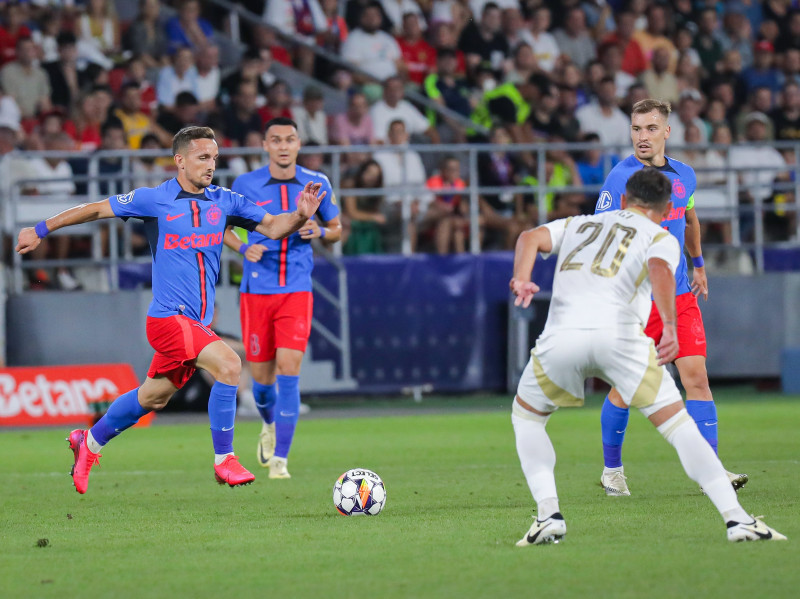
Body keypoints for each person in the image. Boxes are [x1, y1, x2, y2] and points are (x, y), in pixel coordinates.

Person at [15, 126, 326, 494]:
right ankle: (224, 458)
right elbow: (96, 209)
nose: (210, 166)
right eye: (202, 158)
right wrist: (41, 228)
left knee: (153, 397)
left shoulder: (224, 201)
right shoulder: (153, 199)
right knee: (229, 364)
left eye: (214, 158)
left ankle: (89, 441)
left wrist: (301, 215)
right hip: (167, 318)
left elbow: (274, 227)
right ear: (179, 160)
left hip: (194, 323)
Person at [509, 167, 786, 545]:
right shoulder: (660, 236)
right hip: (621, 342)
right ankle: (737, 520)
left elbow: (528, 237)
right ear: (668, 207)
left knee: (527, 418)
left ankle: (548, 514)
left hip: (562, 339)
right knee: (679, 427)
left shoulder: (581, 223)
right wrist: (669, 326)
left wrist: (522, 277)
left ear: (623, 200)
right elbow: (659, 270)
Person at [594, 98, 747, 497]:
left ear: (666, 131)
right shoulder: (619, 180)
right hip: (635, 299)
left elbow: (690, 218)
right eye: (636, 128)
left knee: (695, 377)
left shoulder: (685, 176)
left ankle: (710, 471)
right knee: (625, 389)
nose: (641, 137)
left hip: (679, 294)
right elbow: (600, 233)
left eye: (649, 128)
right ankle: (612, 470)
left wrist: (698, 263)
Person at [224, 117, 341, 479]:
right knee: (261, 381)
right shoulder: (246, 184)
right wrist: (244, 248)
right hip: (257, 292)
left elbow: (338, 231)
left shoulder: (317, 182)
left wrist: (321, 229)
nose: (283, 146)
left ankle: (280, 460)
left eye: (290, 139)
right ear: (265, 145)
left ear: (299, 143)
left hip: (296, 290)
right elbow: (223, 228)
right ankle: (269, 424)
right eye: (276, 140)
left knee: (290, 367)